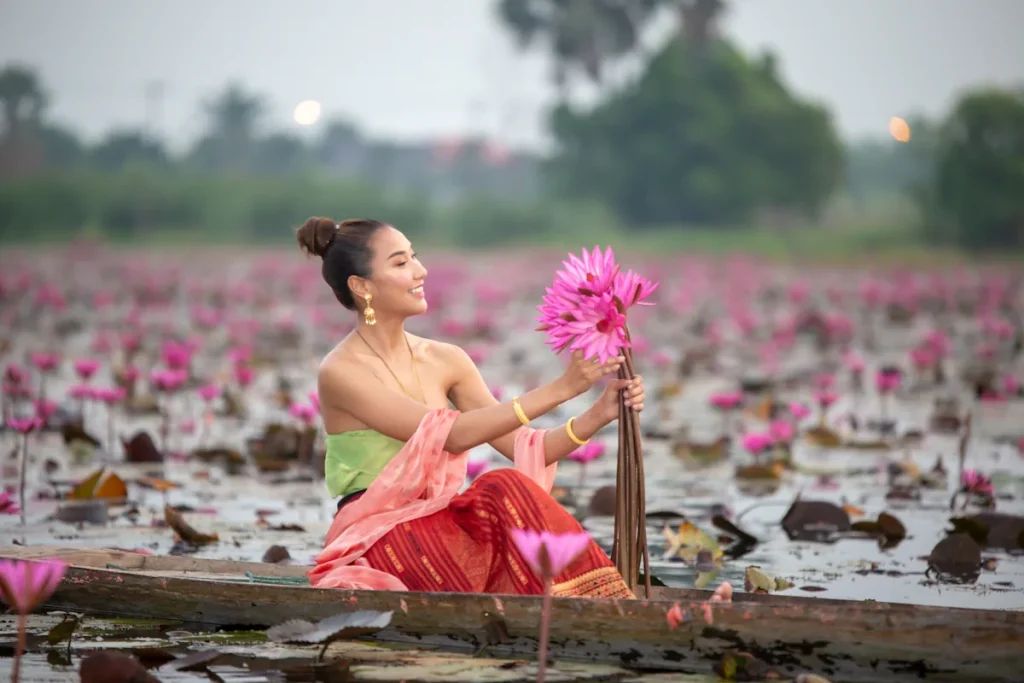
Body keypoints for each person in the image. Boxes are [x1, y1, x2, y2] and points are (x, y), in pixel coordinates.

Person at [297, 216, 645, 598]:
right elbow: (452, 435)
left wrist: (599, 413)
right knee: (482, 518)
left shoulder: (448, 359)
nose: (420, 270)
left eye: (415, 257)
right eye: (400, 263)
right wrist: (563, 388)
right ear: (361, 286)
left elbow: (527, 447)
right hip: (376, 532)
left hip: (441, 518)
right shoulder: (341, 370)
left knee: (504, 484)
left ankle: (608, 600)